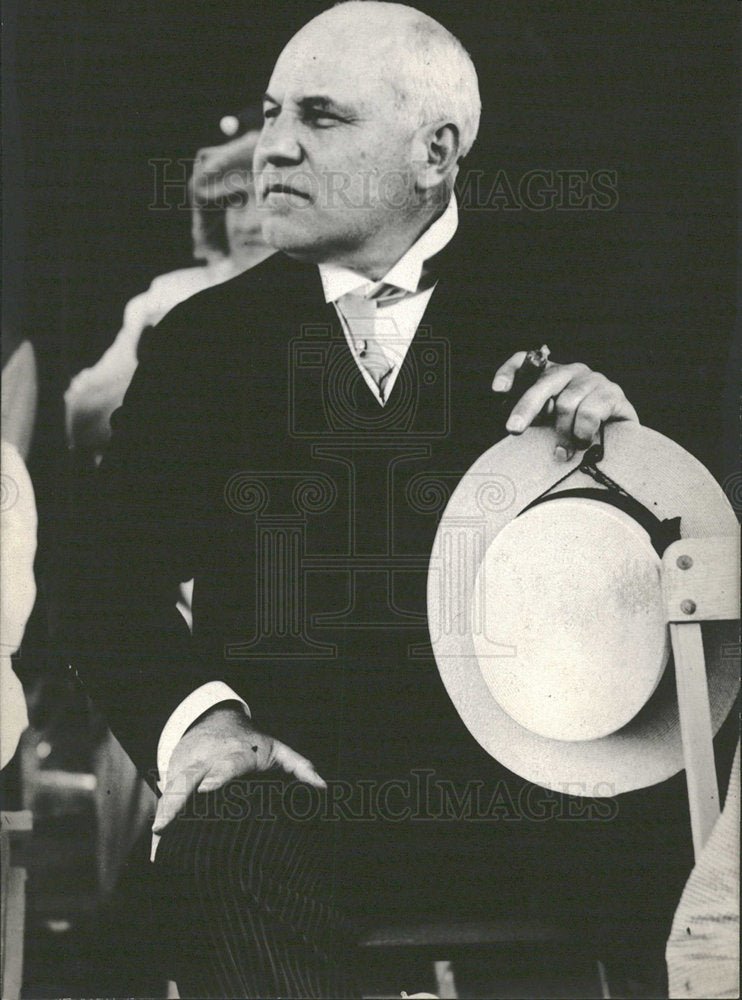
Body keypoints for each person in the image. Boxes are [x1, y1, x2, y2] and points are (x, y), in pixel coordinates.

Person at [67, 4, 698, 996]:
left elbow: (697, 559)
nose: (273, 147)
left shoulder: (584, 305)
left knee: (696, 858)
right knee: (221, 847)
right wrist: (200, 723)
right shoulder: (202, 341)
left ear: (435, 151)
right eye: (271, 113)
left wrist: (635, 451)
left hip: (559, 804)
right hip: (308, 798)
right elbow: (100, 576)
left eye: (320, 117)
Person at [64, 108, 273, 458]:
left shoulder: (327, 298)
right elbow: (81, 421)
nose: (249, 223)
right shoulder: (169, 296)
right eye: (235, 201)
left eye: (265, 200)